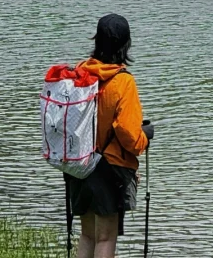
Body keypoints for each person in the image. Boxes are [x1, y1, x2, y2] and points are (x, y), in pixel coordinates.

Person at [66, 14, 154, 258]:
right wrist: (145, 137)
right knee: (105, 237)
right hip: (109, 168)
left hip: (80, 165)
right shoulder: (123, 82)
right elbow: (128, 134)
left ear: (96, 41)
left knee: (87, 235)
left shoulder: (81, 72)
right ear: (126, 45)